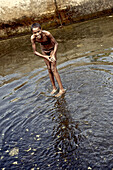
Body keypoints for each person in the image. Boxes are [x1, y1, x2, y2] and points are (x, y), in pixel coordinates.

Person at [31, 23, 66, 97]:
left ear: (41, 29)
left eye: (38, 31)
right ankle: (54, 88)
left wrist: (53, 54)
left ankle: (62, 89)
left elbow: (56, 44)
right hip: (44, 52)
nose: (37, 34)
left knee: (53, 69)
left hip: (52, 50)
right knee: (49, 69)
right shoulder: (33, 38)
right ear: (32, 33)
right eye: (35, 33)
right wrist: (45, 57)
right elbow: (35, 52)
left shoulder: (47, 34)